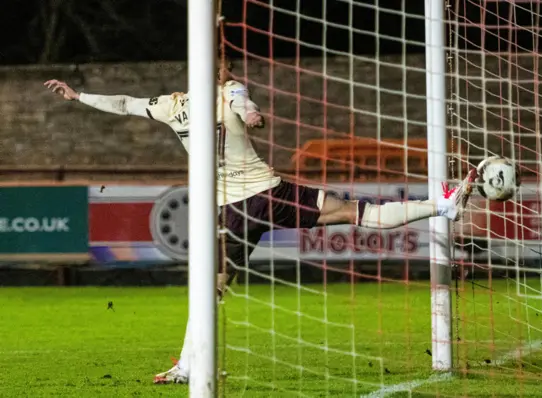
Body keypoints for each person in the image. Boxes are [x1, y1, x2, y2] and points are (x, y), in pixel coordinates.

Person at [44, 61, 476, 384]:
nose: (229, 69)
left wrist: (77, 96)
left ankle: (186, 366)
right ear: (218, 70)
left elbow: (126, 104)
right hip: (268, 195)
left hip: (231, 212)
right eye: (224, 64)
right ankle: (440, 208)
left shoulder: (173, 106)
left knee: (212, 285)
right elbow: (243, 103)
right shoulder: (228, 89)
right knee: (350, 211)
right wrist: (250, 114)